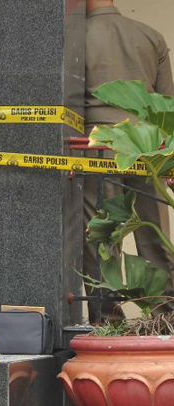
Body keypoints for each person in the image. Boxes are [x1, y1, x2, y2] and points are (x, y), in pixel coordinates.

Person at [84, 0, 174, 323]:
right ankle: (167, 316)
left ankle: (108, 320)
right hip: (148, 148)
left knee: (103, 235)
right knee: (153, 235)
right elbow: (167, 109)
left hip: (97, 147)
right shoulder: (151, 36)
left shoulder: (75, 38)